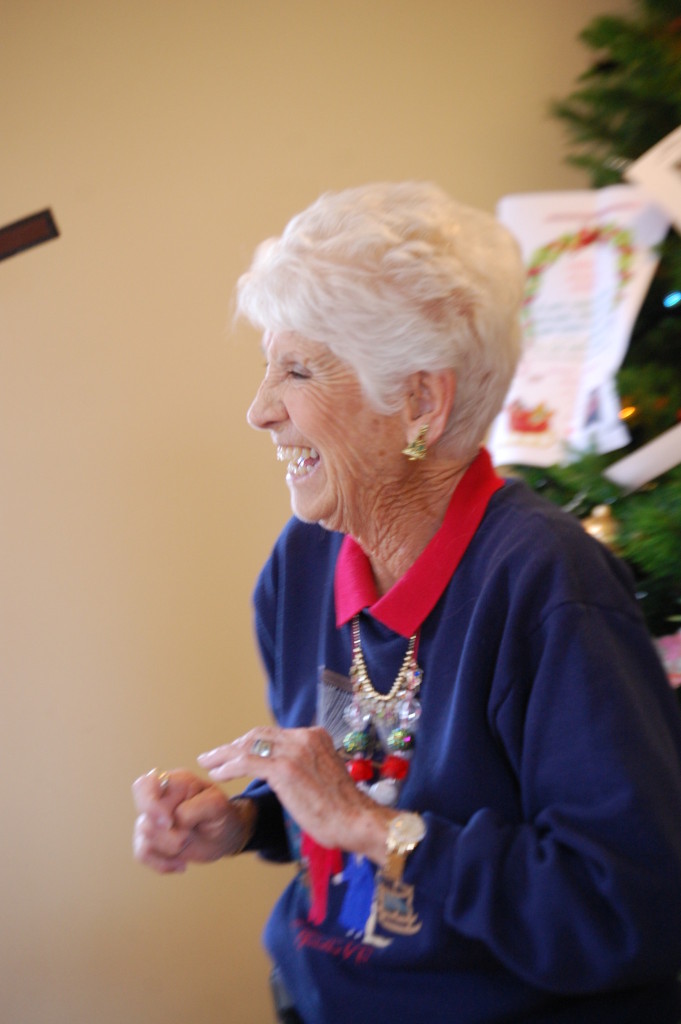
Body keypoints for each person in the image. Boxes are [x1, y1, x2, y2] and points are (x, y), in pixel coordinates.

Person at [132, 182, 681, 1023]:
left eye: (299, 370)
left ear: (420, 402)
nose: (258, 410)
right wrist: (247, 821)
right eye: (266, 366)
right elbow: (373, 784)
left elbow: (627, 911)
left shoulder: (547, 587)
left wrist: (364, 825)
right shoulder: (302, 565)